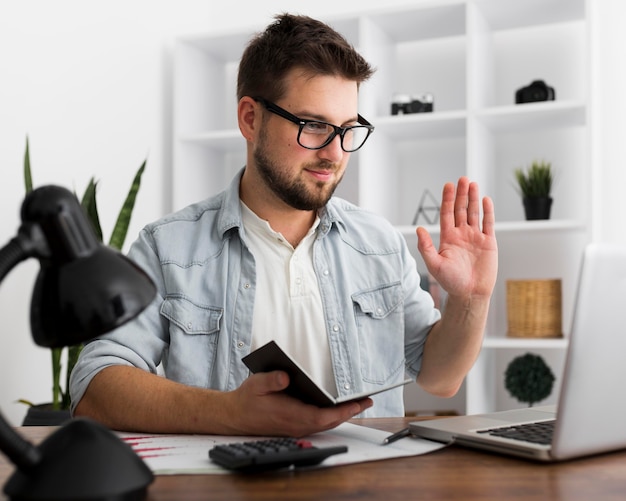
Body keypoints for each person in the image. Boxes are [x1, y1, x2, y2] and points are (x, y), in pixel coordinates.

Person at [70, 13, 497, 437]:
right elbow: (95, 387)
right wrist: (230, 412)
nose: (334, 154)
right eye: (314, 127)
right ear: (250, 119)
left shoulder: (378, 242)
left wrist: (470, 300)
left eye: (347, 129)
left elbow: (440, 379)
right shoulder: (169, 247)